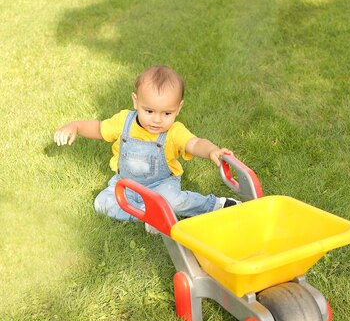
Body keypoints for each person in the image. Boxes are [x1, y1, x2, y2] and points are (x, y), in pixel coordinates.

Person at [54, 65, 239, 227]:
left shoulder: (174, 132)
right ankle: (149, 216)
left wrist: (212, 150)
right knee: (102, 203)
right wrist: (76, 126)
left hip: (162, 185)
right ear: (136, 101)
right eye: (149, 111)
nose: (157, 120)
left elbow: (195, 143)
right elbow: (98, 128)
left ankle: (214, 205)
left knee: (172, 201)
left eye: (167, 113)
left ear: (179, 108)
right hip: (125, 184)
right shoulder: (123, 122)